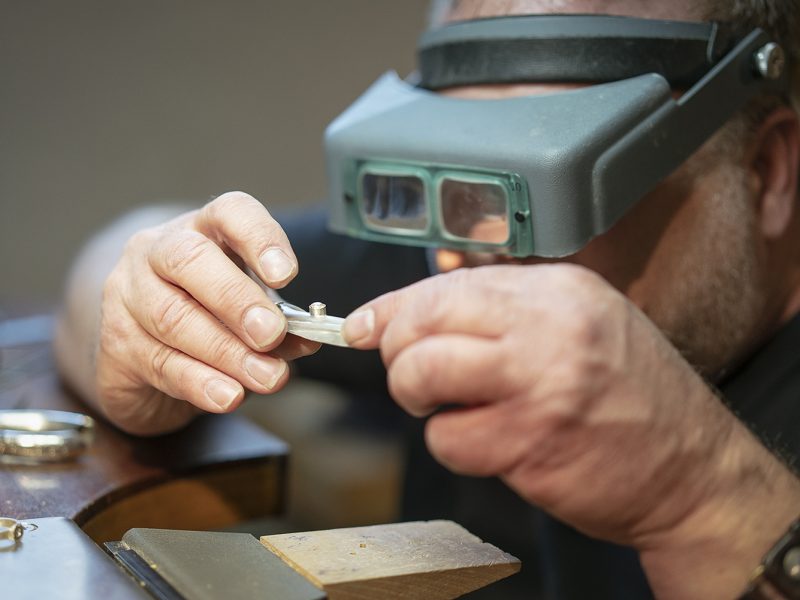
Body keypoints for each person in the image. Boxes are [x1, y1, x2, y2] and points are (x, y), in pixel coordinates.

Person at [54, 0, 800, 598]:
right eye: (453, 178)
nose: (467, 254)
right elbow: (118, 247)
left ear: (765, 171)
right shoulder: (463, 237)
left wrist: (708, 499)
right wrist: (149, 314)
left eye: (554, 187)